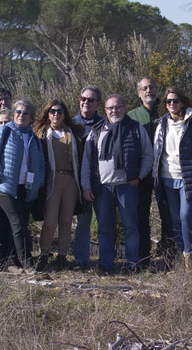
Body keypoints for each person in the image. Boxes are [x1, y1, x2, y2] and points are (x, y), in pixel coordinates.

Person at [82, 95, 153, 273]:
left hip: (126, 187)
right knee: (105, 228)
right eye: (110, 108)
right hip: (102, 189)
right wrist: (86, 186)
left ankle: (132, 264)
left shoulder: (135, 128)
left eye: (118, 107)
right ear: (105, 110)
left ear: (124, 108)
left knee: (131, 227)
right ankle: (106, 264)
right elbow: (87, 161)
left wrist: (140, 176)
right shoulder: (96, 131)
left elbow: (148, 155)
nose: (114, 110)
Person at [0, 99, 45, 272]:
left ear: (31, 117)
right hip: (6, 188)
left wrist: (38, 183)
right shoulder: (4, 132)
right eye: (18, 112)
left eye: (25, 113)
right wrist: (0, 176)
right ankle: (27, 263)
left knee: (20, 225)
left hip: (26, 188)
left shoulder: (33, 137)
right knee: (18, 224)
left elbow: (40, 164)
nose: (21, 115)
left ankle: (13, 261)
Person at [152, 88, 192, 268]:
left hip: (186, 179)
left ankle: (189, 253)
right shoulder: (161, 125)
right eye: (168, 102)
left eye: (175, 101)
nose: (172, 105)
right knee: (174, 218)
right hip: (166, 178)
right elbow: (157, 152)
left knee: (185, 215)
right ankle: (181, 254)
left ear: (182, 102)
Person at [126, 77, 173, 267]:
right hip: (142, 175)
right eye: (144, 88)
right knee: (141, 216)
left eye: (152, 87)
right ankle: (143, 259)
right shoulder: (131, 116)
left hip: (166, 173)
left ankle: (170, 258)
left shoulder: (167, 111)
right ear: (139, 93)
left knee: (169, 216)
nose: (149, 91)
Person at [34, 99, 84, 271]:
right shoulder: (41, 134)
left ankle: (62, 257)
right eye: (53, 111)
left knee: (66, 221)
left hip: (71, 180)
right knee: (50, 221)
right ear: (47, 114)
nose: (56, 115)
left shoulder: (74, 133)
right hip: (51, 181)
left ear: (65, 114)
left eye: (60, 111)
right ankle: (44, 254)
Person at [71, 85, 103, 269]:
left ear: (98, 103)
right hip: (77, 181)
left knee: (104, 222)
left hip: (101, 180)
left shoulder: (104, 123)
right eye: (83, 99)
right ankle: (81, 260)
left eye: (90, 100)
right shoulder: (72, 124)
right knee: (82, 222)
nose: (86, 102)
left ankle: (105, 260)